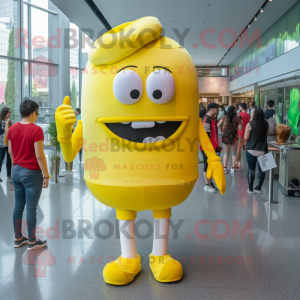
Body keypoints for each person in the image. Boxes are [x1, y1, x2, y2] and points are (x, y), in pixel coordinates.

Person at [7, 99, 50, 251]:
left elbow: (11, 152)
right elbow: (39, 156)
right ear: (33, 113)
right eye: (37, 112)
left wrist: (15, 167)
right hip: (31, 173)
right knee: (31, 208)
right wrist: (46, 175)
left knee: (18, 206)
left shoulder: (12, 128)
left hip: (16, 170)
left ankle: (18, 238)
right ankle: (32, 241)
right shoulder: (35, 130)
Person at [244, 108, 269, 194]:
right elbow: (268, 134)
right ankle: (259, 188)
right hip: (263, 151)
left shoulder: (250, 124)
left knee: (251, 169)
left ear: (254, 114)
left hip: (251, 150)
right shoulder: (266, 124)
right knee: (262, 170)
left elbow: (246, 137)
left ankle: (250, 189)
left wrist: (251, 120)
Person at [200, 102, 220, 192]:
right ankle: (207, 184)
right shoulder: (207, 119)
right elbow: (206, 135)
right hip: (207, 148)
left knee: (211, 165)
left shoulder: (212, 119)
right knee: (206, 165)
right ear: (211, 109)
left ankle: (210, 183)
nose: (218, 110)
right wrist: (208, 148)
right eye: (217, 109)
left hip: (212, 147)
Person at [218, 106, 242, 173]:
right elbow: (240, 128)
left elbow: (218, 125)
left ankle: (225, 168)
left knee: (226, 153)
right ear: (234, 111)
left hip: (225, 136)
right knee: (233, 153)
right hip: (233, 136)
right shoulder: (237, 118)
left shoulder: (224, 117)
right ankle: (233, 168)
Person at [236, 103, 251, 168]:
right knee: (247, 148)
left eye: (239, 107)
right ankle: (249, 161)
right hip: (247, 133)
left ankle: (237, 162)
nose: (239, 108)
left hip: (240, 133)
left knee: (239, 148)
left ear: (242, 107)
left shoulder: (239, 115)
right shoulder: (248, 115)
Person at [0, 107, 13, 182]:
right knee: (0, 160)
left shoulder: (11, 121)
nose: (9, 114)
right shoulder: (0, 121)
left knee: (9, 160)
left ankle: (9, 175)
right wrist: (6, 127)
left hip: (9, 143)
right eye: (8, 112)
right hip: (1, 144)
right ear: (4, 112)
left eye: (10, 112)